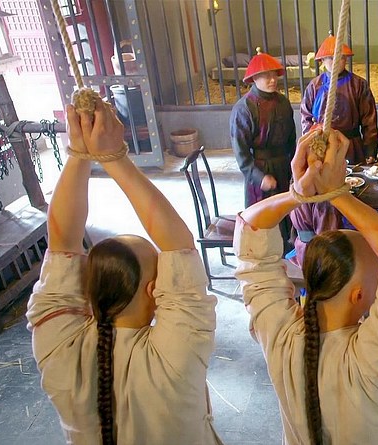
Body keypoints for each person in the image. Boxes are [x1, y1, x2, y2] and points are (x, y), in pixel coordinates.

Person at [27, 101, 221, 444]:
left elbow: (61, 244)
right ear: (153, 290)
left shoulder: (59, 347)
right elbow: (179, 247)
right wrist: (114, 157)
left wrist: (79, 154)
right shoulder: (176, 353)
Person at [234, 128, 378, 444]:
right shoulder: (375, 355)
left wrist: (298, 193)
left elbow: (250, 228)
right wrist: (337, 193)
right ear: (358, 295)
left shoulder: (281, 337)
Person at [230, 48, 296, 245]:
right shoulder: (243, 108)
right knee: (261, 221)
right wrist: (259, 177)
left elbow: (291, 140)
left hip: (283, 166)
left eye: (274, 75)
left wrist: (294, 170)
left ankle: (285, 251)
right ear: (254, 78)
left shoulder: (283, 102)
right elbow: (241, 153)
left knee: (285, 215)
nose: (273, 80)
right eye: (266, 76)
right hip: (259, 168)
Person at [300, 32, 378, 164]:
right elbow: (306, 117)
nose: (336, 61)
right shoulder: (315, 86)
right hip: (323, 146)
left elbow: (369, 120)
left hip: (351, 146)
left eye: (340, 57)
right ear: (322, 60)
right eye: (331, 58)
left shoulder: (358, 85)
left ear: (346, 59)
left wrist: (370, 150)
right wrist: (312, 143)